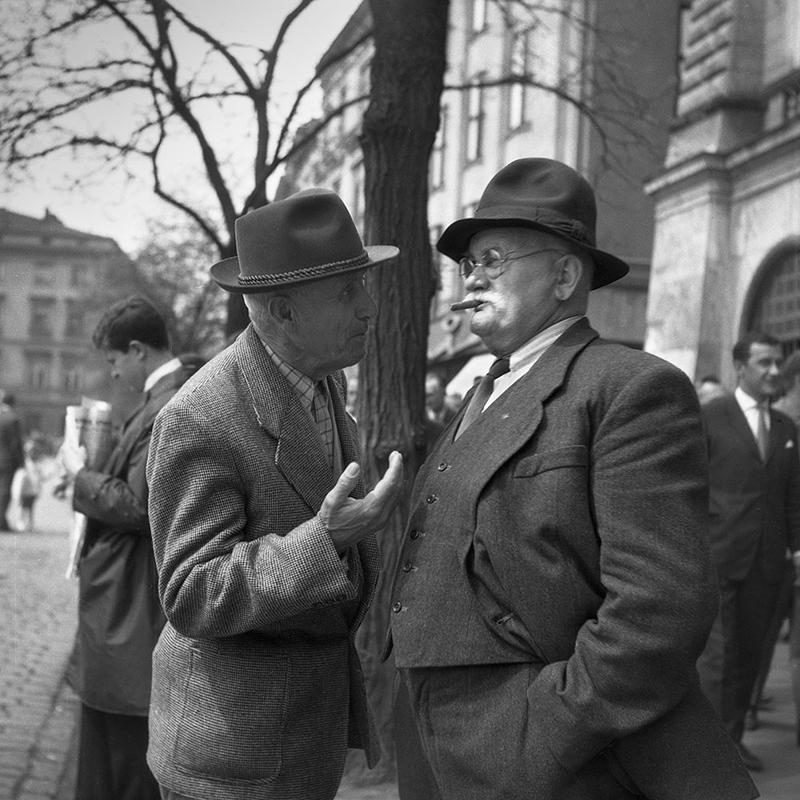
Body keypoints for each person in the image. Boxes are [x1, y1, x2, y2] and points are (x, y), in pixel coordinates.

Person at [388, 158, 756, 800]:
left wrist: (546, 731)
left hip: (549, 761)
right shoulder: (482, 391)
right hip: (432, 747)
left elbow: (658, 613)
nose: (473, 276)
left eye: (495, 257)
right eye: (469, 262)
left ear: (563, 276)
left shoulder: (629, 387)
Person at [145, 188, 404, 800]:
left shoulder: (323, 383)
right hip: (233, 764)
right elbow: (191, 592)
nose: (369, 308)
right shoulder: (199, 416)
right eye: (347, 291)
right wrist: (327, 539)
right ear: (284, 313)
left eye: (363, 285)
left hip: (289, 748)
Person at [58, 296, 203, 800]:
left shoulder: (169, 402)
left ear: (138, 350)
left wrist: (80, 475)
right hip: (125, 599)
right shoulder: (163, 398)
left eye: (115, 361)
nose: (114, 374)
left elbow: (139, 506)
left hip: (132, 601)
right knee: (113, 751)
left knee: (123, 759)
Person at [698, 332, 800, 770]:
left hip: (766, 565)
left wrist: (796, 550)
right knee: (716, 661)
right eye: (765, 363)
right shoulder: (709, 416)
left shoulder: (785, 428)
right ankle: (707, 753)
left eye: (778, 363)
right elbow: (691, 487)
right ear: (741, 367)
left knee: (750, 658)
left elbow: (791, 496)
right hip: (718, 558)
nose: (775, 371)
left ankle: (733, 741)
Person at [0, 391, 25, 532]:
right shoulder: (13, 419)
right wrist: (22, 462)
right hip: (7, 461)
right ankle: (1, 522)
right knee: (4, 492)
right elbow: (15, 443)